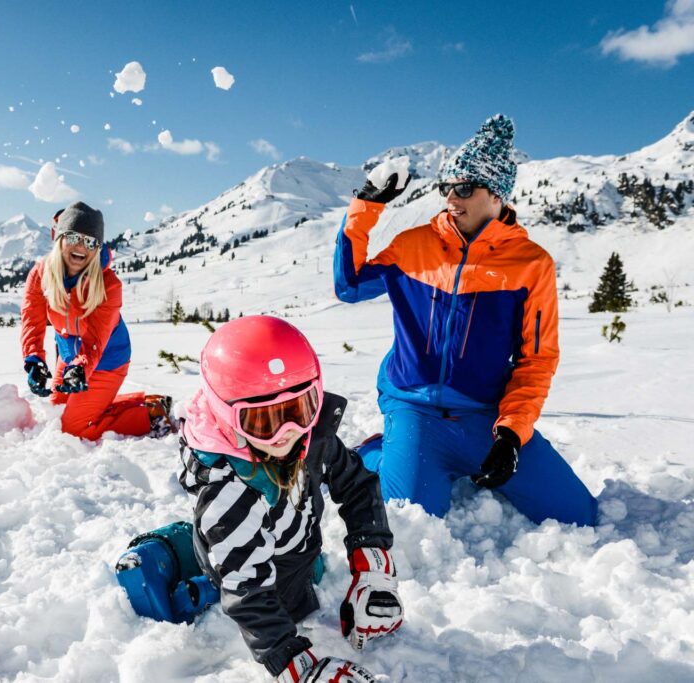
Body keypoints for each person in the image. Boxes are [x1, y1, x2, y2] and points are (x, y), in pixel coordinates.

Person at [333, 114, 597, 526]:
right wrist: (367, 205)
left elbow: (537, 360)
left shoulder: (532, 265)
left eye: (464, 188)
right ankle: (380, 450)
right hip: (414, 407)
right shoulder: (412, 245)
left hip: (484, 415)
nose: (452, 198)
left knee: (578, 514)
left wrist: (511, 435)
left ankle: (446, 455)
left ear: (497, 195)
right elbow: (349, 286)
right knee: (411, 524)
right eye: (446, 188)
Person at [178, 316, 402, 683]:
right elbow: (250, 596)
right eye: (263, 421)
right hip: (270, 583)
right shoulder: (230, 494)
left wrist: (374, 568)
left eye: (301, 409)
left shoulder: (310, 437)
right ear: (226, 415)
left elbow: (358, 486)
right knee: (277, 596)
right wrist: (300, 667)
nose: (287, 433)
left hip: (295, 547)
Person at [20, 201, 173, 440]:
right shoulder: (40, 274)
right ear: (60, 238)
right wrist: (34, 359)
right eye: (74, 237)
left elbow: (96, 340)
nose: (82, 246)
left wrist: (81, 369)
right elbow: (32, 320)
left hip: (106, 359)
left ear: (97, 247)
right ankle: (144, 402)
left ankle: (150, 416)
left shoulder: (109, 285)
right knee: (56, 411)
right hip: (70, 357)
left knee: (73, 430)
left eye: (90, 241)